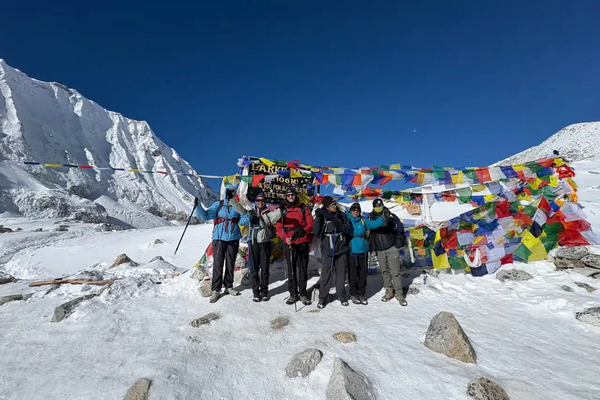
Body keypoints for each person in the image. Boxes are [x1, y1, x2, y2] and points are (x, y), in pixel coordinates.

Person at [194, 184, 250, 303]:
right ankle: (216, 289)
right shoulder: (218, 205)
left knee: (230, 263)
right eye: (228, 191)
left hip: (233, 238)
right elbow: (205, 216)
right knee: (218, 264)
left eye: (232, 191)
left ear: (234, 192)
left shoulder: (237, 206)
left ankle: (229, 287)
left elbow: (244, 220)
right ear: (225, 192)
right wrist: (198, 206)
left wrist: (249, 214)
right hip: (219, 239)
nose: (230, 193)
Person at [231, 191, 281, 302]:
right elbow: (241, 210)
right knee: (253, 269)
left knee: (264, 269)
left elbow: (276, 215)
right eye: (258, 200)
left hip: (264, 243)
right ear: (255, 202)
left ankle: (264, 292)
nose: (260, 202)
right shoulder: (251, 213)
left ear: (264, 202)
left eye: (262, 200)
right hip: (253, 243)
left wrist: (283, 207)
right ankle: (256, 292)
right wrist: (232, 200)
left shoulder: (268, 213)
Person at [275, 186, 314, 305]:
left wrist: (304, 231)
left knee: (302, 269)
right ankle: (293, 294)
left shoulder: (303, 208)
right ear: (286, 197)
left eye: (292, 194)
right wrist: (285, 238)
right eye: (288, 195)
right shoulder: (282, 209)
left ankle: (302, 293)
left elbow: (310, 223)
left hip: (302, 241)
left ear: (295, 195)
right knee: (291, 269)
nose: (290, 197)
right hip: (289, 242)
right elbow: (279, 227)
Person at [313, 196, 352, 309]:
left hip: (341, 248)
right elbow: (316, 231)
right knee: (326, 273)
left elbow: (348, 228)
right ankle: (323, 297)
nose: (334, 206)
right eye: (332, 205)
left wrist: (339, 225)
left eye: (335, 204)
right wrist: (318, 218)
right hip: (327, 249)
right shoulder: (322, 216)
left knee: (341, 273)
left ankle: (341, 294)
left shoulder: (341, 215)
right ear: (326, 206)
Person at [369, 198, 407, 306]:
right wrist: (373, 247)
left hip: (391, 247)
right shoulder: (371, 218)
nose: (378, 207)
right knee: (384, 271)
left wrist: (397, 244)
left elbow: (400, 228)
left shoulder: (390, 216)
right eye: (376, 206)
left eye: (380, 205)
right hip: (379, 249)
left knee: (395, 271)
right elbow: (371, 234)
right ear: (373, 207)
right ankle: (389, 291)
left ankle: (399, 294)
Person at [346, 202, 384, 305]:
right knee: (353, 274)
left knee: (362, 274)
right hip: (352, 250)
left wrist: (383, 217)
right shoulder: (347, 220)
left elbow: (374, 224)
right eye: (354, 210)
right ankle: (353, 293)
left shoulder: (363, 221)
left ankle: (361, 294)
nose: (355, 212)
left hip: (363, 250)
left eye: (357, 210)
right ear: (350, 210)